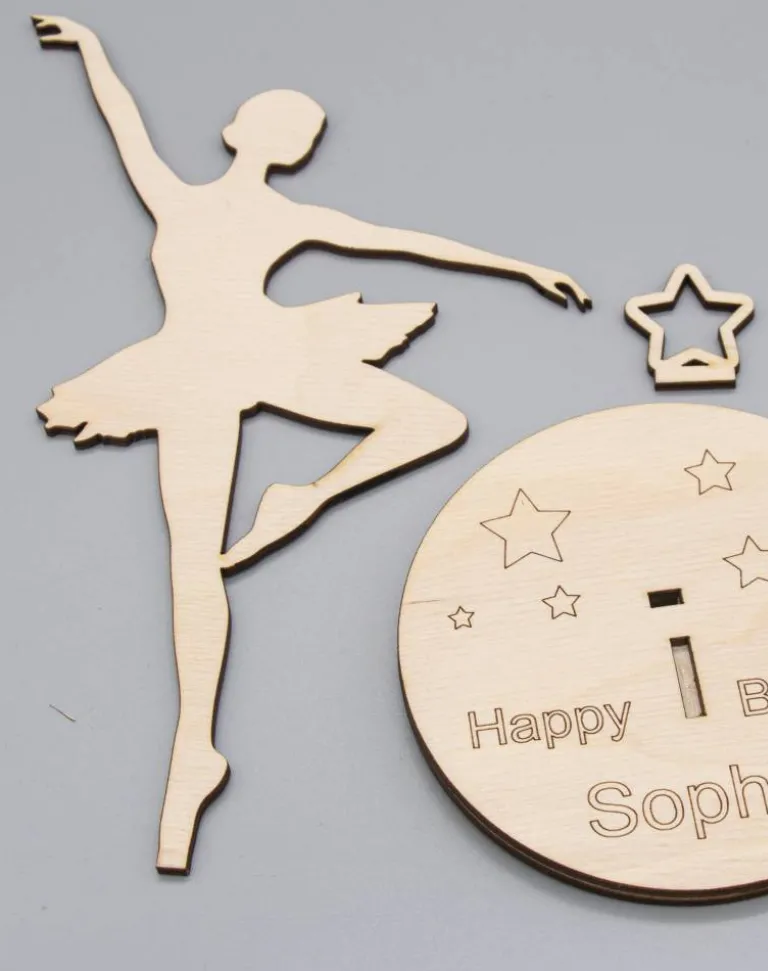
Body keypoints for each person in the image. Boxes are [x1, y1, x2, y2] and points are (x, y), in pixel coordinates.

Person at [32, 15, 591, 873]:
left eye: (301, 131)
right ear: (243, 134)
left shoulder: (238, 208)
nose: (293, 140)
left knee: (425, 427)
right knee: (195, 561)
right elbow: (122, 118)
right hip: (201, 367)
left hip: (250, 353)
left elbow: (405, 242)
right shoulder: (193, 198)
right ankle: (195, 748)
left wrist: (520, 268)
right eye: (289, 127)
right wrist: (88, 47)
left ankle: (304, 500)